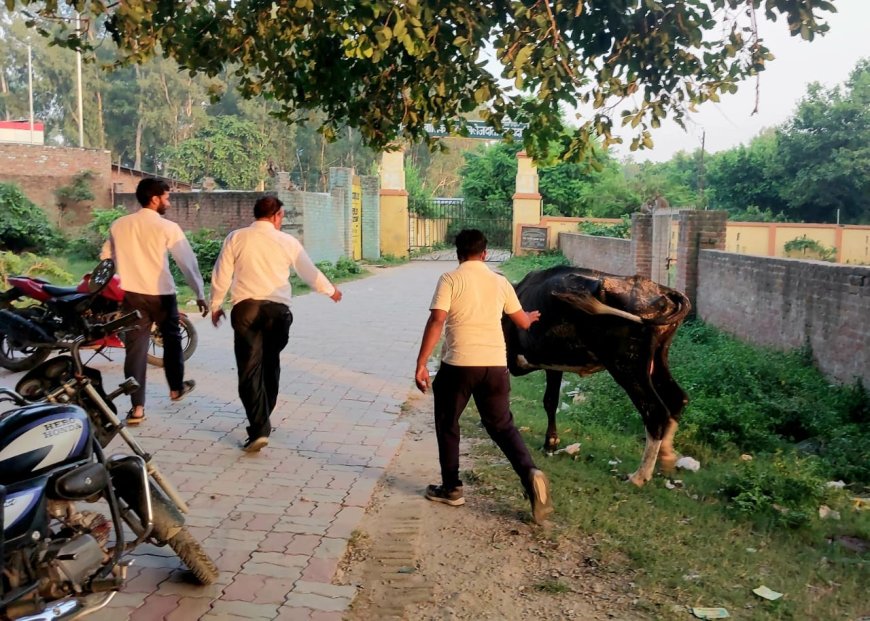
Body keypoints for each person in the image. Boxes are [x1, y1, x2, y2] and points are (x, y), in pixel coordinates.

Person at [414, 229, 554, 524]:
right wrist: (530, 317)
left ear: (458, 253)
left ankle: (451, 487)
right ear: (485, 253)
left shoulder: (450, 279)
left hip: (459, 366)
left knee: (448, 422)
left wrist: (422, 362)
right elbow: (521, 322)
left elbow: (437, 319)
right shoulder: (500, 282)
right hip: (494, 366)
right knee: (502, 425)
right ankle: (529, 471)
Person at [209, 195, 342, 453]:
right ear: (276, 215)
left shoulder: (236, 237)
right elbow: (309, 271)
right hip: (278, 313)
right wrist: (331, 291)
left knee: (249, 371)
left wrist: (216, 305)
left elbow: (221, 273)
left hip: (246, 310)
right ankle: (263, 419)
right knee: (270, 363)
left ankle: (259, 426)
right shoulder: (287, 241)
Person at [101, 178, 207, 424]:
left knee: (135, 351)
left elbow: (106, 258)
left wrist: (122, 272)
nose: (168, 202)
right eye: (167, 197)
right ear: (155, 198)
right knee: (171, 340)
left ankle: (137, 408)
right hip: (161, 295)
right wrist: (200, 293)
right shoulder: (167, 227)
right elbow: (187, 263)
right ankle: (176, 388)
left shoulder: (119, 225)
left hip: (132, 295)